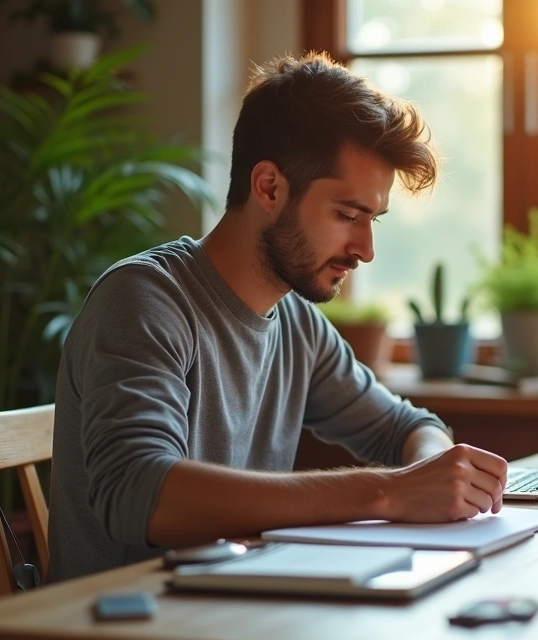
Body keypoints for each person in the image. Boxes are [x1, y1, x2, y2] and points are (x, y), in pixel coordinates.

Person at [46, 52, 508, 581]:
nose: (365, 249)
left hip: (241, 604)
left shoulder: (296, 325)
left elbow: (406, 427)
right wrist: (387, 492)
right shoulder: (144, 300)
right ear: (269, 187)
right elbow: (138, 496)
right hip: (126, 614)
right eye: (347, 214)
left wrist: (437, 473)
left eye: (373, 220)